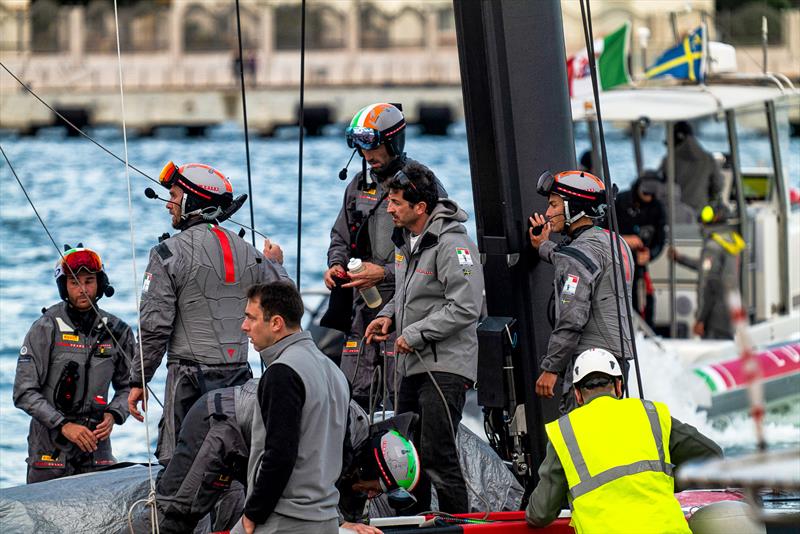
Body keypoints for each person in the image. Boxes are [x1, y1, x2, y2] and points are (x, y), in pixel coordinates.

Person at [128, 161, 289, 467]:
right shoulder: (252, 254)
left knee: (183, 469)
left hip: (189, 384)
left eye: (174, 195)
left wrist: (139, 379)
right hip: (241, 382)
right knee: (236, 468)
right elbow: (287, 303)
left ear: (192, 200)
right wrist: (276, 264)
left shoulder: (166, 255)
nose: (169, 205)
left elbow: (153, 328)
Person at [126, 376, 418, 534]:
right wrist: (339, 525)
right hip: (221, 423)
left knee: (241, 515)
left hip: (258, 449)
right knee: (178, 513)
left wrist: (348, 525)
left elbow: (339, 510)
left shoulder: (357, 462)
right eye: (374, 489)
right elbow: (298, 486)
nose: (370, 496)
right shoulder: (337, 438)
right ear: (370, 468)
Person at [365, 162, 484, 514]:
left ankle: (456, 523)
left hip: (445, 368)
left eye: (396, 203)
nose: (389, 208)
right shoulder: (407, 242)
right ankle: (413, 522)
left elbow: (466, 307)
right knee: (405, 455)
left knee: (437, 454)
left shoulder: (454, 244)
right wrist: (387, 316)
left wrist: (414, 333)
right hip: (412, 366)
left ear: (420, 207)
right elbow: (407, 291)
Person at [323, 102, 446, 411]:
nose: (368, 155)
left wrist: (384, 273)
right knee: (353, 398)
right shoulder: (357, 186)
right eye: (362, 147)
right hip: (361, 307)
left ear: (393, 141)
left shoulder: (424, 185)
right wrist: (336, 266)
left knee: (400, 398)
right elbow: (340, 236)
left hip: (406, 309)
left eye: (374, 147)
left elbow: (435, 251)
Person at [526, 348, 723, 533]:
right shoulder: (650, 414)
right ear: (619, 386)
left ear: (577, 395)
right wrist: (663, 481)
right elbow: (712, 455)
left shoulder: (566, 432)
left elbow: (539, 514)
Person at [13, 245, 134, 484]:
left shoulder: (118, 331)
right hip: (49, 450)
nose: (83, 290)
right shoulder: (45, 327)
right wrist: (64, 425)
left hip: (96, 449)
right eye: (74, 283)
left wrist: (114, 414)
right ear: (64, 287)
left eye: (89, 281)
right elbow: (23, 392)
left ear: (100, 283)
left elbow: (131, 386)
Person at [238, 282, 350, 534]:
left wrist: (254, 512)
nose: (244, 326)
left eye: (250, 318)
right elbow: (346, 448)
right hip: (325, 518)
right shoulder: (334, 371)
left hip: (284, 520)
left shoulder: (282, 373)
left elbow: (279, 454)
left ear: (276, 323)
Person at [529, 170, 635, 414]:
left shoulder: (577, 255)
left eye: (554, 204)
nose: (547, 213)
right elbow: (577, 261)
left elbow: (571, 318)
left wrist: (551, 369)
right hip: (618, 363)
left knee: (581, 442)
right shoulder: (617, 243)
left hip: (590, 367)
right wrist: (544, 247)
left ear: (573, 207)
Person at [670, 204, 744, 340]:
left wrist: (700, 319)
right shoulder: (733, 243)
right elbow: (708, 267)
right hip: (733, 310)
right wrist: (681, 259)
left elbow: (706, 284)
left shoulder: (712, 247)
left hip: (714, 317)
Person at [615, 170, 667, 327]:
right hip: (618, 265)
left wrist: (650, 254)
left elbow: (660, 240)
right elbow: (600, 233)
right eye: (646, 193)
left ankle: (646, 332)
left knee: (646, 304)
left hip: (640, 268)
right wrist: (623, 240)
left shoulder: (657, 207)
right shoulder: (620, 201)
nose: (649, 198)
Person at [660, 120, 723, 214]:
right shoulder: (708, 159)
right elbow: (718, 186)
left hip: (675, 215)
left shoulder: (669, 160)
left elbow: (660, 185)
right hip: (701, 215)